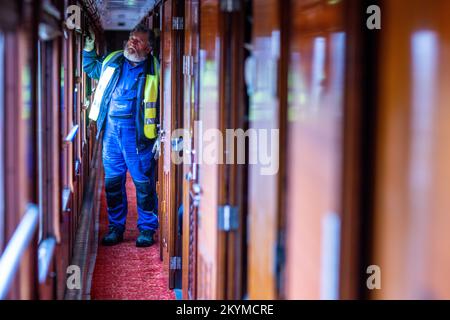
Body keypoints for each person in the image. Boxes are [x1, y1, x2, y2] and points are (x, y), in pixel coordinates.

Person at [83, 24, 161, 247]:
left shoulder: (156, 70)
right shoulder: (113, 60)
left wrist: (159, 136)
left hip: (138, 137)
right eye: (130, 38)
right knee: (113, 184)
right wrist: (88, 49)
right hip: (110, 134)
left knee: (143, 185)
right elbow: (90, 67)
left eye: (137, 40)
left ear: (148, 48)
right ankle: (116, 228)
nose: (131, 43)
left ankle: (147, 229)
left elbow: (167, 103)